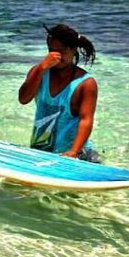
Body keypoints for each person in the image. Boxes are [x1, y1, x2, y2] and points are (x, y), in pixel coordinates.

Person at [18, 23, 102, 162]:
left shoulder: (85, 83)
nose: (56, 56)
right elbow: (23, 99)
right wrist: (40, 69)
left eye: (61, 51)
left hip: (79, 155)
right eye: (52, 50)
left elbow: (86, 120)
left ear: (73, 50)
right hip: (41, 152)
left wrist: (73, 152)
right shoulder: (39, 72)